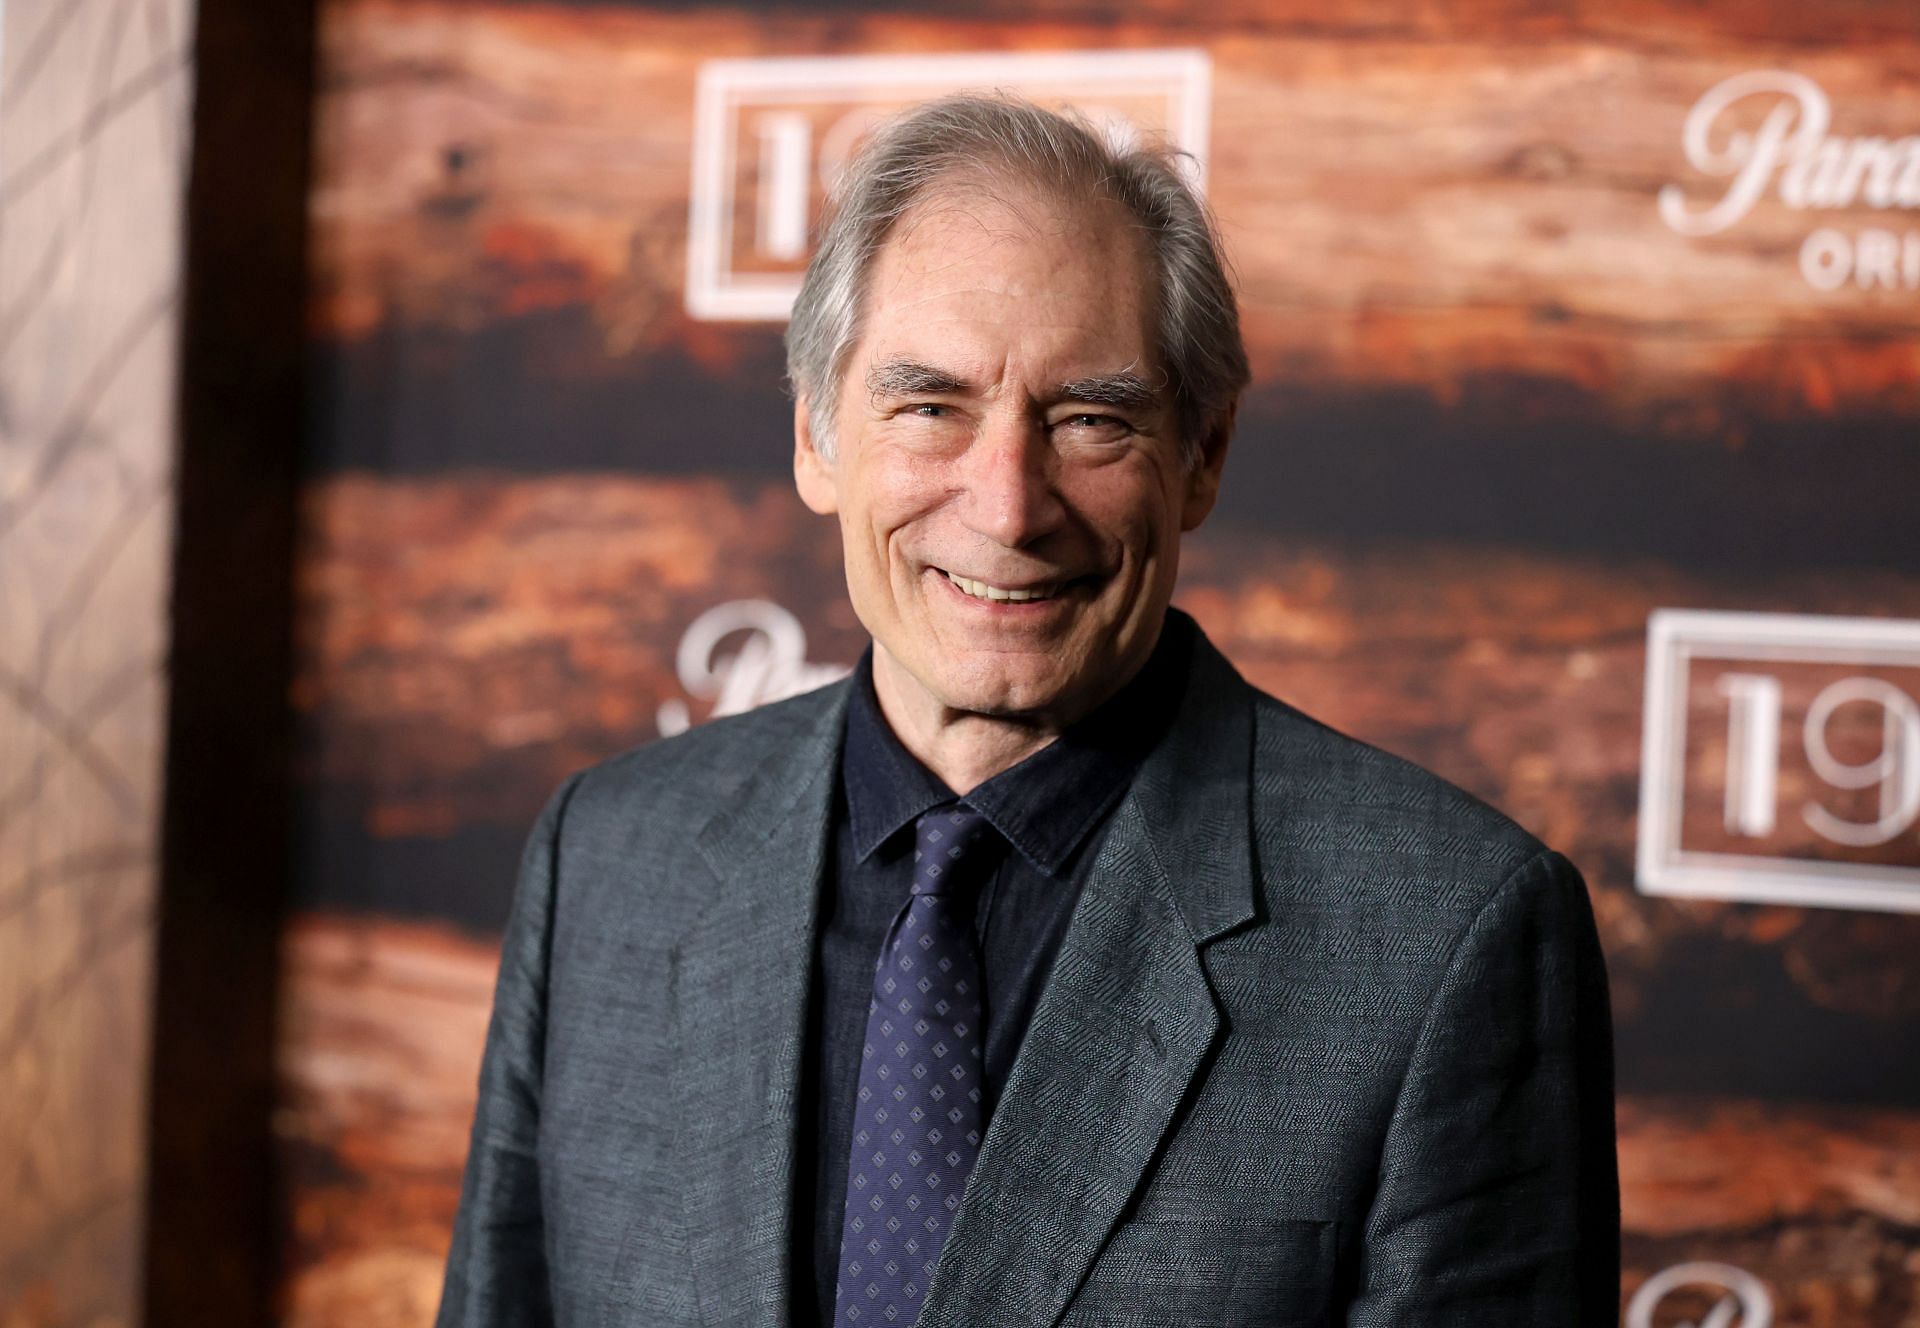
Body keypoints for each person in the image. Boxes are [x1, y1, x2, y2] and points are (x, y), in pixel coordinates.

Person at [434, 94, 1619, 1327]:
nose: (1007, 504)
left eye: (1090, 419)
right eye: (931, 404)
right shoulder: (611, 858)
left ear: (1203, 455)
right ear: (815, 434)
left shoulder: (1444, 932)